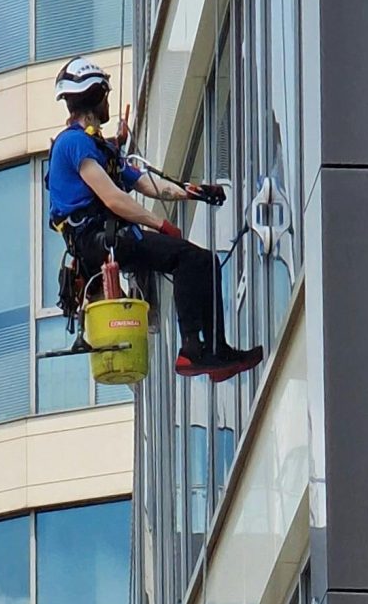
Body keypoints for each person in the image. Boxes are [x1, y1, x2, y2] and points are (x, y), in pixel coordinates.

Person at [47, 58, 263, 382]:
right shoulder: (73, 143)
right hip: (97, 240)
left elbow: (146, 183)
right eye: (105, 94)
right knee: (187, 258)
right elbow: (113, 198)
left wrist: (192, 192)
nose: (108, 101)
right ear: (94, 95)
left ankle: (214, 349)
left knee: (204, 262)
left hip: (109, 237)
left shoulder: (100, 148)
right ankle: (192, 349)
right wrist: (158, 224)